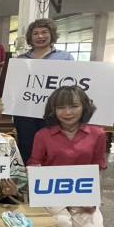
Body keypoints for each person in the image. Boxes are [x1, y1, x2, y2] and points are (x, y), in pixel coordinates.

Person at [29, 86, 114, 227]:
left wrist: (93, 198)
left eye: (74, 106)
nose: (67, 112)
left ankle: (80, 222)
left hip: (81, 193)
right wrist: (35, 173)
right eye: (61, 107)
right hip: (52, 193)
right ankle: (66, 220)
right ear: (53, 110)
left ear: (84, 107)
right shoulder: (43, 135)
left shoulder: (98, 134)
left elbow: (97, 168)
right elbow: (34, 164)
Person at [13, 18, 75, 164]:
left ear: (51, 34)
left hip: (54, 112)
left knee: (53, 146)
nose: (40, 36)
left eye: (44, 32)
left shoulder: (65, 57)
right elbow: (15, 86)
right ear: (30, 37)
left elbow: (72, 86)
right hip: (25, 112)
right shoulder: (20, 59)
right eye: (35, 33)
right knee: (26, 145)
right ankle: (28, 174)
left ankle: (50, 175)